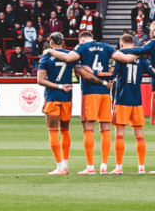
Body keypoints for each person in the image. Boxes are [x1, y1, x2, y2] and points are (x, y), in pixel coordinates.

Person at [43, 30, 136, 174]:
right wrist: (142, 52)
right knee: (105, 129)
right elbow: (125, 58)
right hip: (106, 94)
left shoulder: (82, 48)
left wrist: (50, 50)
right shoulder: (107, 47)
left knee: (88, 129)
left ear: (81, 40)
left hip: (90, 93)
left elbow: (68, 58)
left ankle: (90, 167)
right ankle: (104, 166)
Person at [109, 34, 155, 174]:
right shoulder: (142, 58)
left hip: (122, 99)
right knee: (139, 135)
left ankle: (118, 167)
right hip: (137, 101)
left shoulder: (118, 56)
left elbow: (112, 75)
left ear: (121, 44)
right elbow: (152, 73)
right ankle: (141, 167)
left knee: (119, 134)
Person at [38, 32, 76, 175]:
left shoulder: (46, 56)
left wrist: (59, 86)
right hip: (67, 98)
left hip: (52, 97)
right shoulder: (71, 56)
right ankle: (65, 165)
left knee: (52, 131)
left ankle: (60, 167)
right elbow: (80, 71)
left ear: (52, 42)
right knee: (65, 131)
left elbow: (40, 80)